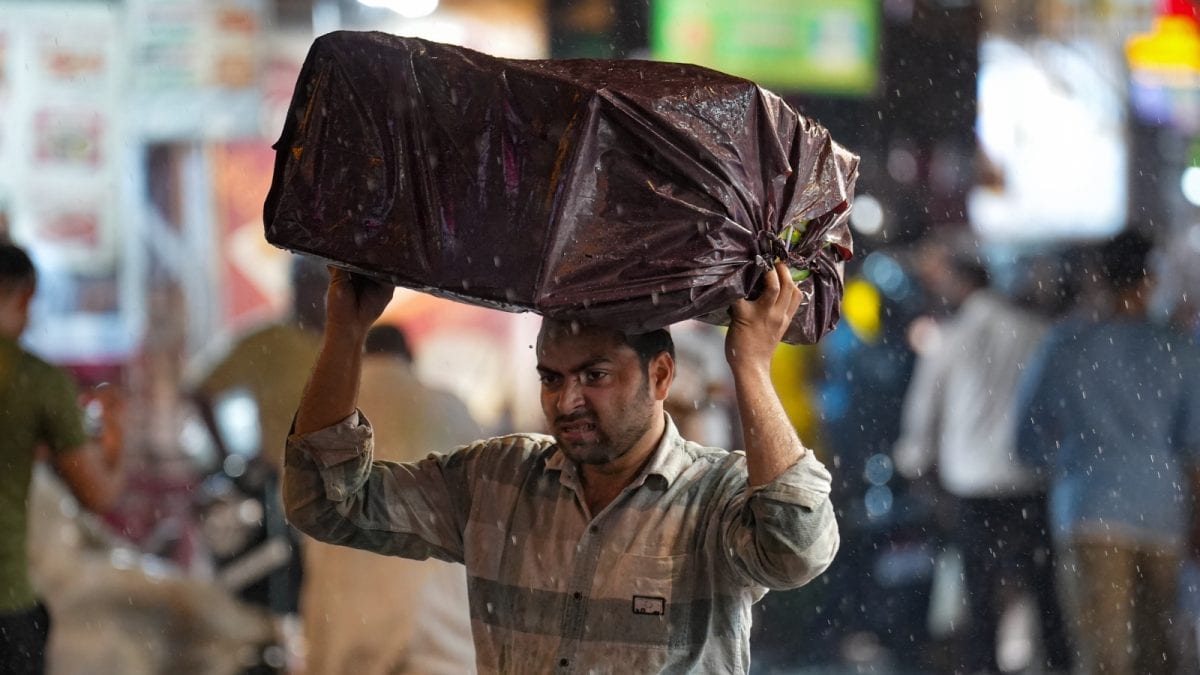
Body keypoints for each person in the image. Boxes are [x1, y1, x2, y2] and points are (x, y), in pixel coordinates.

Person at [283, 261, 839, 673]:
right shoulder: (496, 480)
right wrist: (346, 329)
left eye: (594, 376)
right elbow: (327, 504)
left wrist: (752, 366)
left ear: (661, 377)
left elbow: (797, 549)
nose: (566, 400)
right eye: (552, 378)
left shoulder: (714, 495)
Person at [1016, 230, 1200, 674]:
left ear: (1094, 277)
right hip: (1163, 514)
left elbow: (1028, 441)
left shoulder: (1066, 347)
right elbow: (1195, 449)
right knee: (1162, 654)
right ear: (1150, 279)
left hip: (1088, 511)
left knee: (1103, 658)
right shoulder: (1178, 350)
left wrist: (1072, 461)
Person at [894, 246, 1070, 673]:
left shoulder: (950, 340)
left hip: (972, 488)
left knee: (981, 598)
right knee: (1045, 595)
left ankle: (986, 668)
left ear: (961, 283)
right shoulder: (1036, 331)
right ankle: (1060, 665)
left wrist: (914, 464)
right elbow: (1058, 408)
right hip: (1029, 481)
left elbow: (922, 417)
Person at [300, 323, 482, 674]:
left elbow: (297, 506)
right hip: (438, 632)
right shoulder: (448, 407)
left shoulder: (323, 412)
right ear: (411, 359)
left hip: (349, 629)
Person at [0, 241, 125, 674]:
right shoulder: (35, 381)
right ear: (26, 296)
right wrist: (116, 430)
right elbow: (99, 495)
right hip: (5, 601)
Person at [188, 255, 327, 617]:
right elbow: (201, 390)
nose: (312, 294)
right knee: (280, 592)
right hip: (280, 492)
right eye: (304, 283)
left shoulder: (351, 345)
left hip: (338, 491)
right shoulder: (269, 341)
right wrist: (226, 456)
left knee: (328, 594)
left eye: (320, 284)